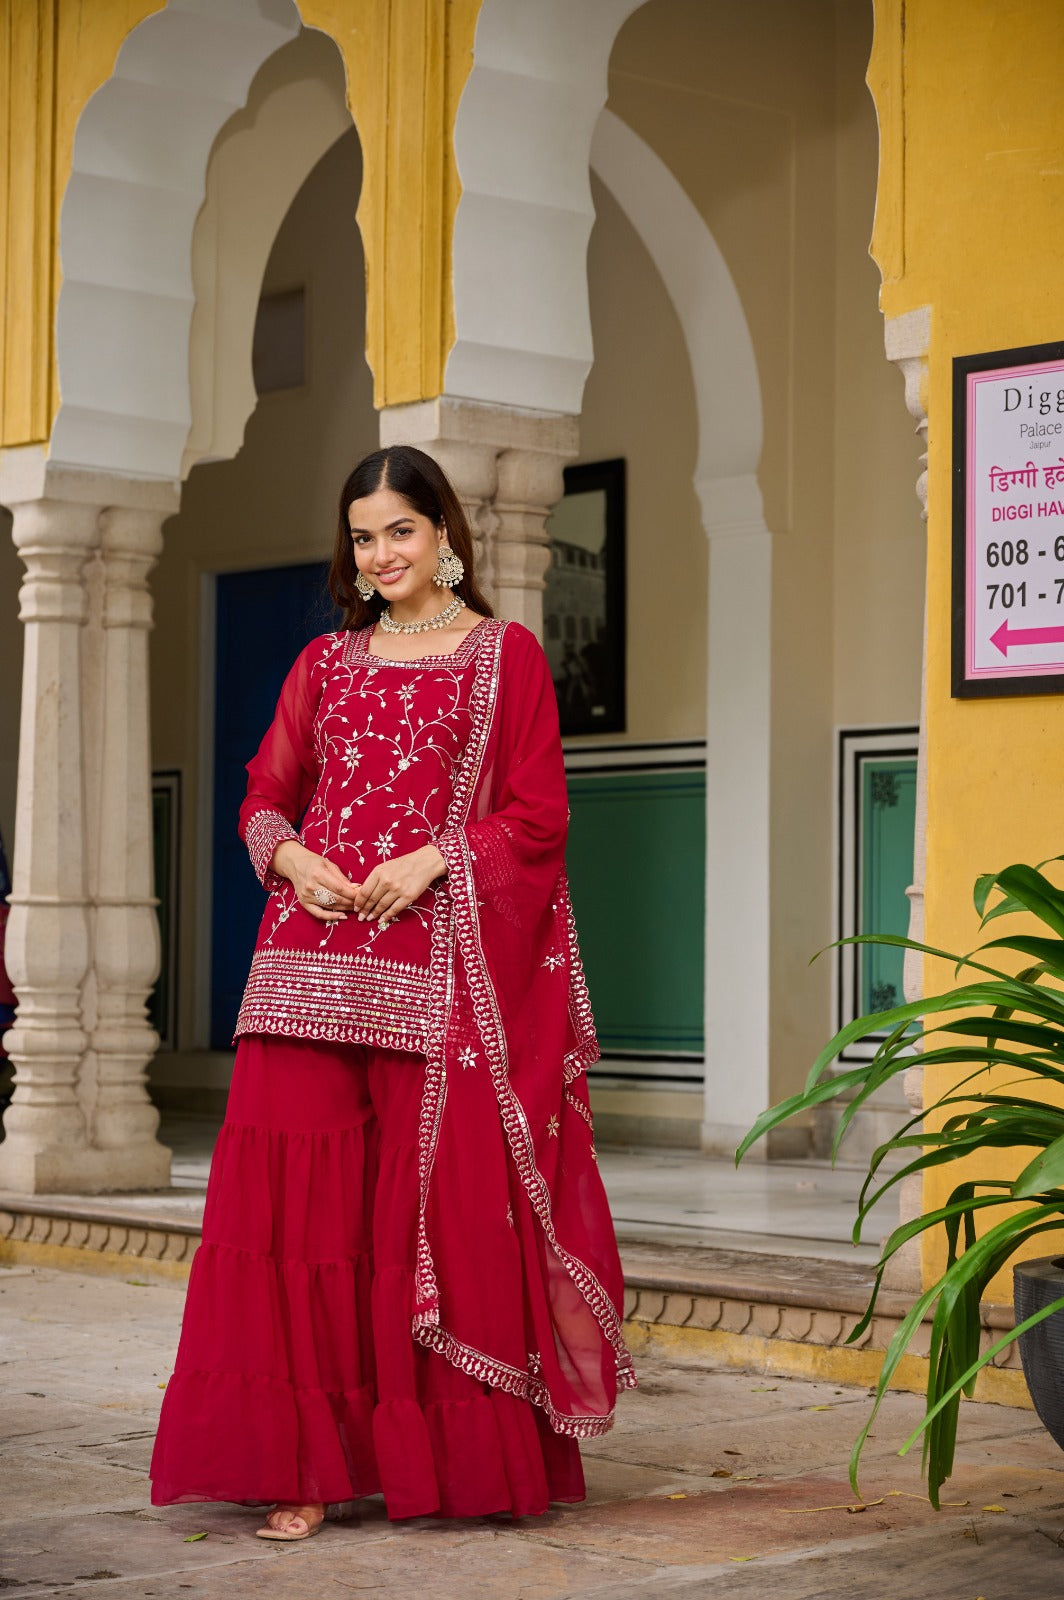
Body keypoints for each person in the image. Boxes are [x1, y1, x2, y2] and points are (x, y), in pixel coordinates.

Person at [150, 445, 634, 1540]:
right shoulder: (324, 664)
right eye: (363, 536)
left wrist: (437, 858)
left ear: (444, 533)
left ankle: (436, 1458)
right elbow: (265, 794)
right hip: (305, 970)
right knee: (296, 1222)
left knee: (417, 1214)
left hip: (433, 973)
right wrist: (287, 860)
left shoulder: (502, 658)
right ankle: (303, 1465)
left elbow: (538, 816)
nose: (381, 555)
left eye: (400, 531)